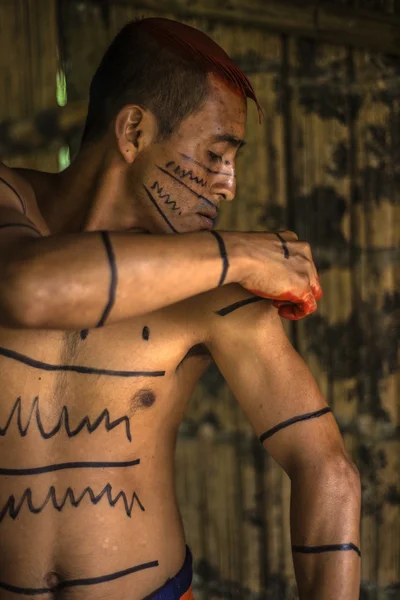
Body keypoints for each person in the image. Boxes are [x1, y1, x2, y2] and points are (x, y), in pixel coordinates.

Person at [0, 17, 360, 600]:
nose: (228, 187)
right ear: (135, 131)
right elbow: (27, 289)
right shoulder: (8, 202)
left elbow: (327, 469)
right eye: (216, 154)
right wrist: (241, 251)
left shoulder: (212, 288)